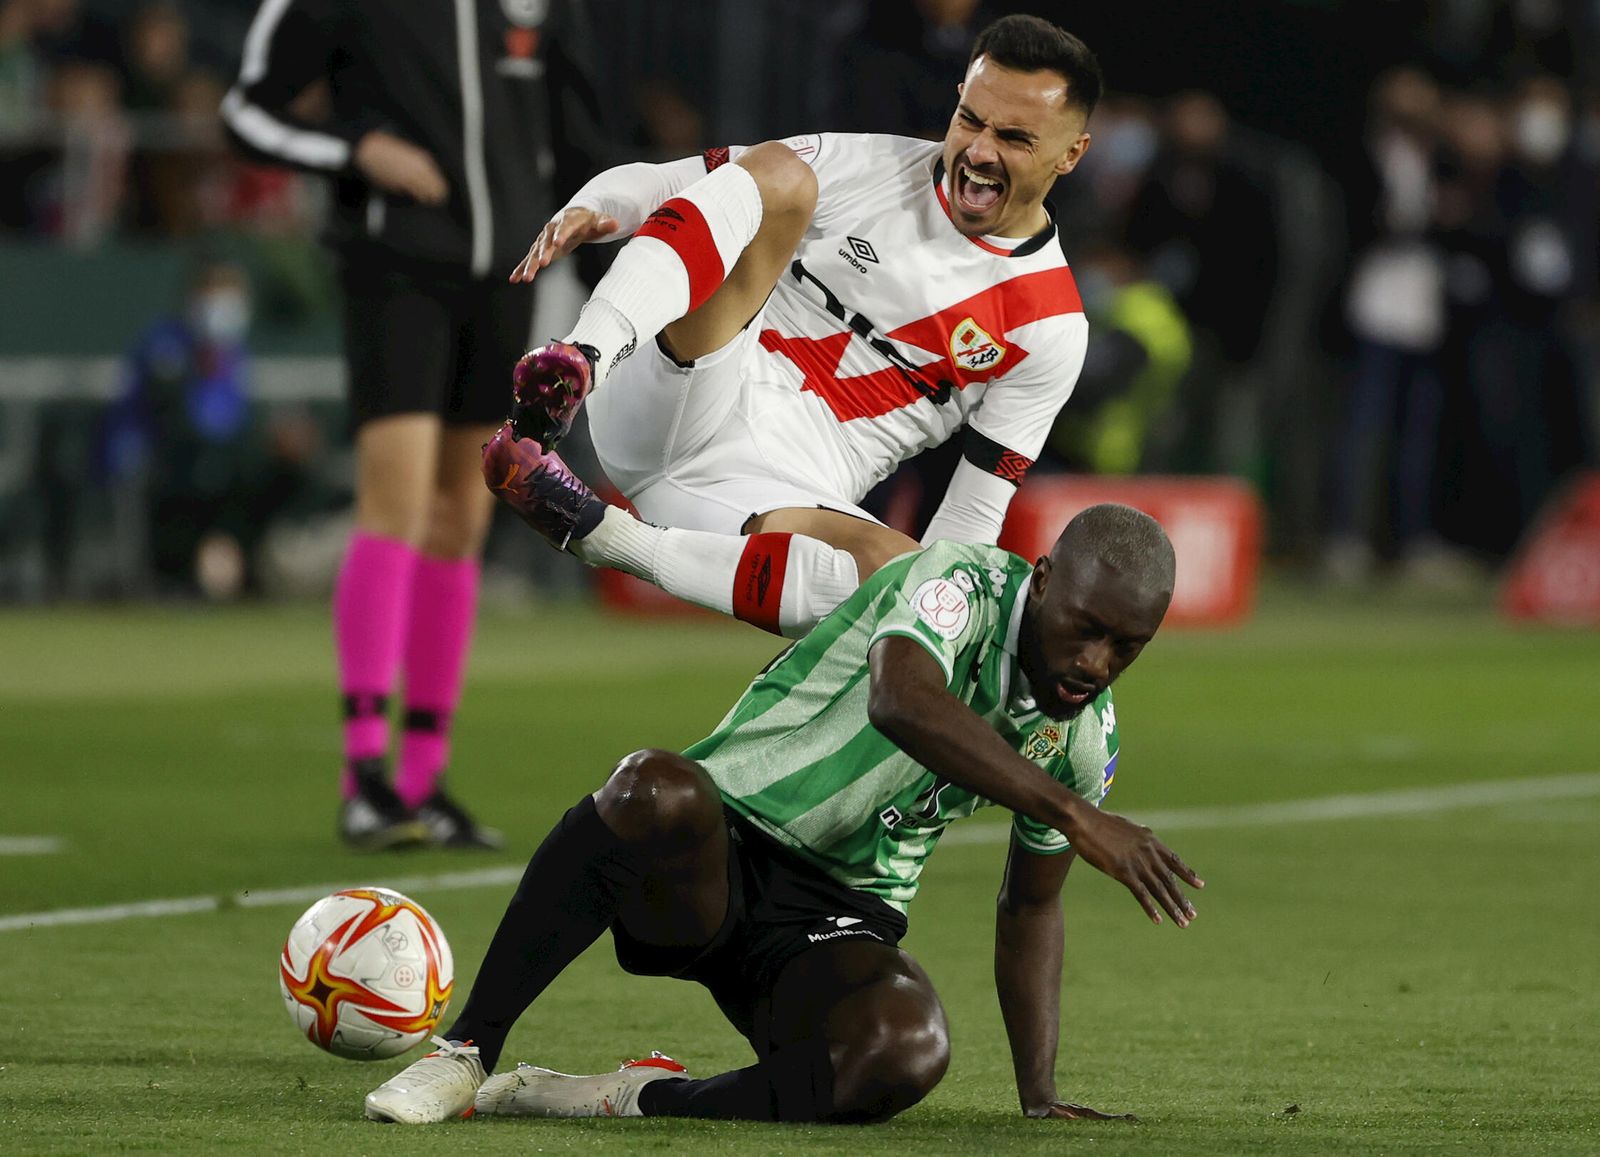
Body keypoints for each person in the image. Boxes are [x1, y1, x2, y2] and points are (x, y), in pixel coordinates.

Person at [362, 503, 1202, 1127]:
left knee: (906, 1047)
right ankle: (465, 1051)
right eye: (1085, 628)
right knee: (652, 786)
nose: (1095, 662)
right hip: (716, 850)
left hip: (833, 924)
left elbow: (1030, 904)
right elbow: (900, 700)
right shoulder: (960, 582)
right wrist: (1074, 814)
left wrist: (1039, 1093)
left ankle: (631, 1095)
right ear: (1045, 579)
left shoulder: (1084, 739)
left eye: (1127, 646)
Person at [490, 14, 1099, 639]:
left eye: (1015, 138)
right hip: (683, 381)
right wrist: (593, 208)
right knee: (779, 176)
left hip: (770, 500)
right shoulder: (867, 164)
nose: (978, 151)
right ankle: (580, 359)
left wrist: (931, 635)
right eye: (970, 119)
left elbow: (968, 526)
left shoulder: (1050, 327)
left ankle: (594, 528)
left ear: (1071, 153)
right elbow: (666, 182)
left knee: (910, 587)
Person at [221, 0, 603, 849]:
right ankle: (364, 776)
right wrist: (356, 151)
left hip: (506, 275)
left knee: (462, 519)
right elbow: (246, 109)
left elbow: (578, 133)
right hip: (397, 270)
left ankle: (425, 782)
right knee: (392, 502)